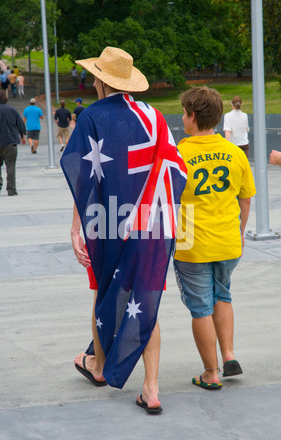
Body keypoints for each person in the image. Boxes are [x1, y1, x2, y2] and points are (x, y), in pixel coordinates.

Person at [60, 46, 187, 413]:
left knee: (103, 293)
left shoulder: (91, 118)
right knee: (144, 299)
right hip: (151, 223)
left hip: (107, 222)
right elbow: (174, 171)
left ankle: (99, 367)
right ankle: (151, 389)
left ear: (100, 80)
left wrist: (76, 228)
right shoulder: (155, 117)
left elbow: (83, 178)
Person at [174, 86, 256, 390]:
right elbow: (245, 199)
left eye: (184, 113)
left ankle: (211, 372)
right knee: (223, 295)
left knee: (200, 308)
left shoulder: (179, 153)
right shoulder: (235, 153)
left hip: (192, 242)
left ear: (193, 116)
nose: (183, 118)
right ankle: (229, 353)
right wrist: (240, 231)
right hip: (228, 239)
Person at [0, 89, 26, 196]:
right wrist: (22, 136)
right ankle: (11, 189)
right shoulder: (12, 110)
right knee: (10, 165)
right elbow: (20, 124)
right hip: (10, 142)